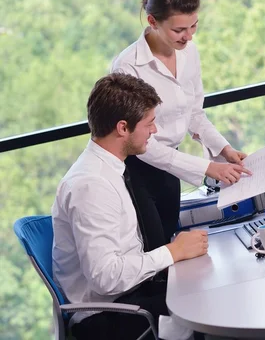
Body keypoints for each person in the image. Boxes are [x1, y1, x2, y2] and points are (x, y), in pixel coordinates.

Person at [52, 73, 209, 340]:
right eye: (149, 123)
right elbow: (105, 278)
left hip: (130, 295)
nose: (155, 131)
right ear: (123, 128)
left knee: (207, 285)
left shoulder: (110, 169)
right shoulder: (91, 186)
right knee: (208, 308)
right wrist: (171, 252)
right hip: (109, 317)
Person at [111, 0, 251, 250]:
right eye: (178, 30)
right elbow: (139, 143)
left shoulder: (189, 54)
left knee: (172, 244)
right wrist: (207, 168)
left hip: (170, 168)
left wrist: (225, 149)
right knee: (156, 250)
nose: (188, 37)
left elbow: (194, 114)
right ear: (152, 21)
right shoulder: (128, 66)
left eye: (193, 26)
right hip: (137, 169)